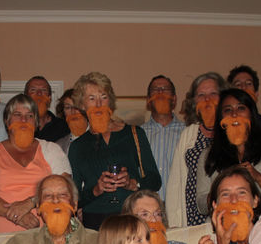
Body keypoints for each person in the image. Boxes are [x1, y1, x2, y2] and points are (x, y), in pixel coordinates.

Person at [68, 72, 161, 230]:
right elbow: (74, 198)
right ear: (82, 105)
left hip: (131, 217)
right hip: (95, 222)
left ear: (110, 101)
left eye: (103, 97)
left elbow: (155, 180)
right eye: (92, 98)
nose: (99, 104)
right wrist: (96, 190)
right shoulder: (77, 146)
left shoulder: (134, 134)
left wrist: (133, 184)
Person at [196, 88, 261, 222]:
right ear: (220, 118)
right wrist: (224, 188)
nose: (234, 114)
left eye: (241, 108)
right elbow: (201, 206)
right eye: (227, 110)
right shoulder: (208, 155)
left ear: (251, 114)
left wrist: (257, 177)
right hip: (225, 229)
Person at [0, 94, 71, 232]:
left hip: (43, 235)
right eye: (17, 114)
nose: (23, 120)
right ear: (7, 121)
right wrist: (16, 215)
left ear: (36, 122)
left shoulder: (51, 149)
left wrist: (30, 203)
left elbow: (66, 186)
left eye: (29, 115)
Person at [166, 72, 227, 227]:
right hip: (192, 215)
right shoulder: (189, 134)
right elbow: (175, 183)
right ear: (194, 102)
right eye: (201, 95)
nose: (207, 99)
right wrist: (174, 223)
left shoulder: (231, 131)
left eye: (213, 93)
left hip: (225, 212)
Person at [140, 75, 186, 200]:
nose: (160, 92)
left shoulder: (187, 133)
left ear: (174, 99)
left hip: (179, 205)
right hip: (147, 206)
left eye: (165, 89)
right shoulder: (138, 134)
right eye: (155, 90)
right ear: (148, 100)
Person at [227, 65, 261, 140]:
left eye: (248, 83)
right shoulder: (225, 126)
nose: (243, 87)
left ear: (256, 93)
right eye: (238, 84)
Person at [25, 75, 70, 142]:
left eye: (44, 90)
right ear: (26, 97)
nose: (39, 93)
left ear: (49, 98)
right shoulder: (19, 125)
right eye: (33, 90)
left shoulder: (63, 126)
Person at [54, 89, 88, 154]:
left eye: (77, 107)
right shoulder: (59, 146)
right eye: (68, 107)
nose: (73, 112)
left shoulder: (101, 138)